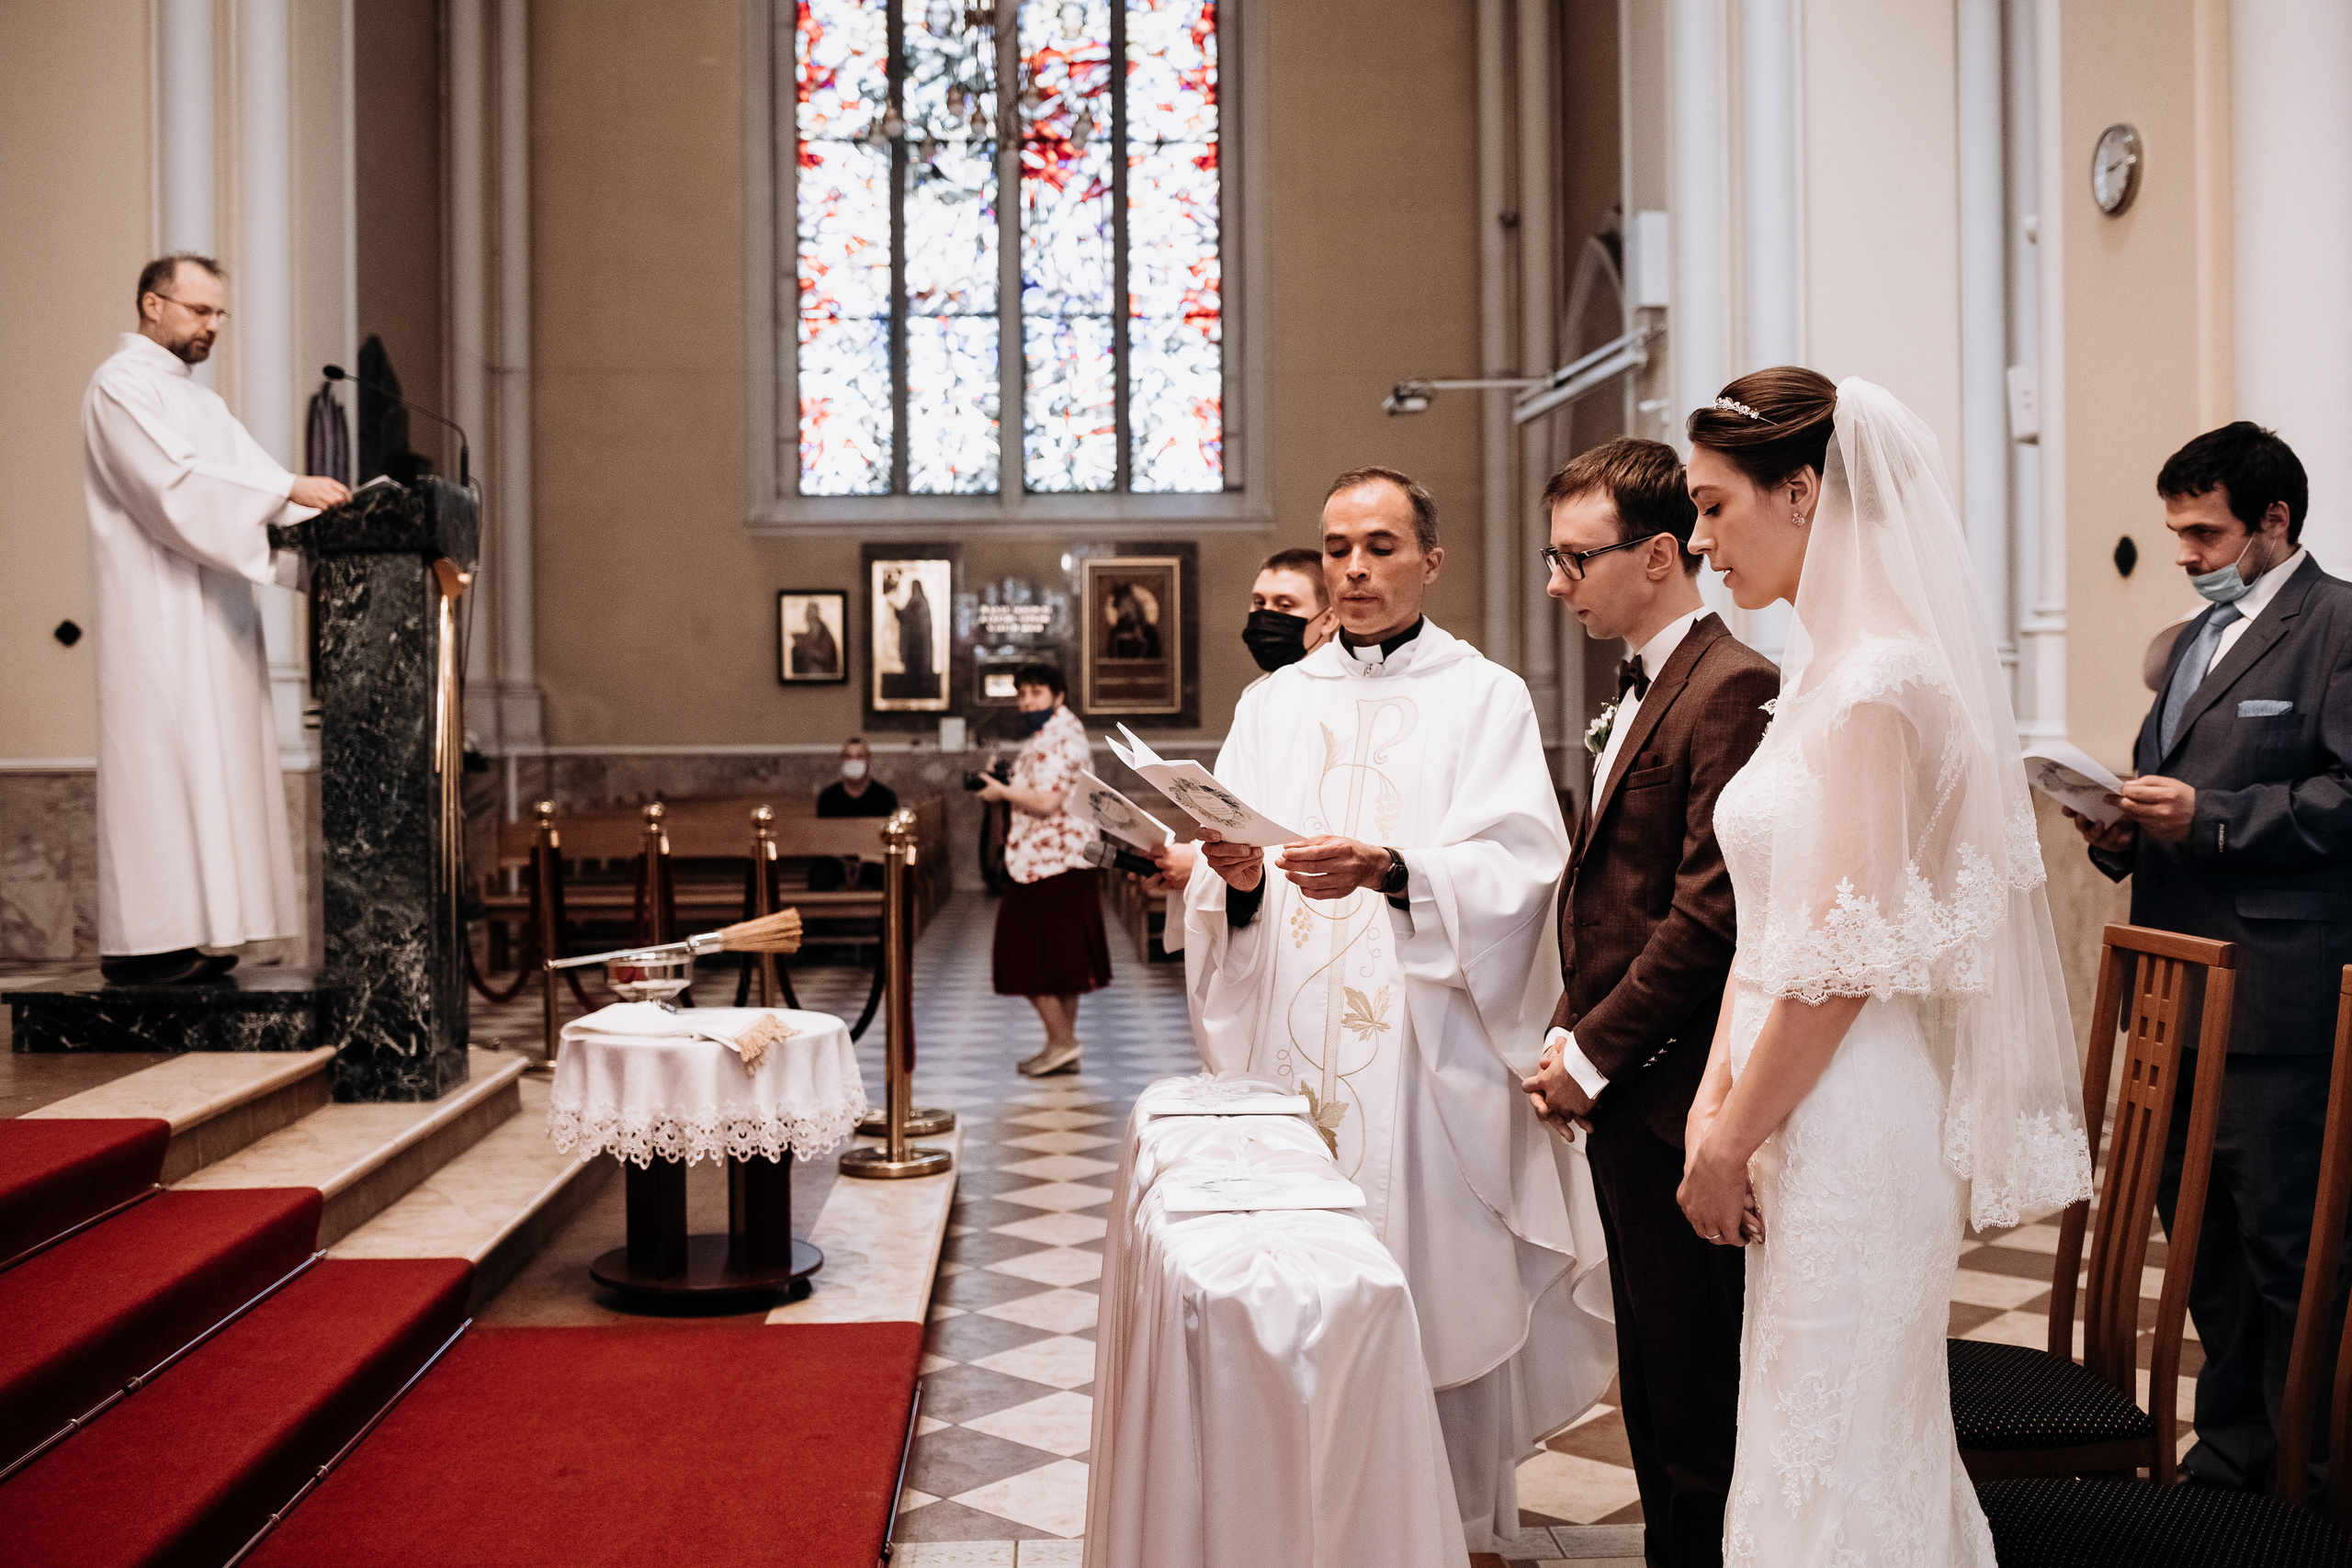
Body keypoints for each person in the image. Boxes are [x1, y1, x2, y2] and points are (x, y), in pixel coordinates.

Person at [1678, 369, 2091, 1564]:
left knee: (1845, 1453)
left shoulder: (1878, 685)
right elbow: (1767, 934)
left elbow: (1841, 960)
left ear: (1801, 492)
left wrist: (1723, 1131)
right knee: (1805, 1435)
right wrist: (1720, 1101)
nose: (1701, 541)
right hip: (1793, 1096)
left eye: (1714, 506)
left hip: (1848, 1111)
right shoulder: (1818, 673)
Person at [1182, 467, 1613, 1553]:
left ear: (1431, 558)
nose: (1357, 569)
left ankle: (1455, 1529)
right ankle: (1304, 1527)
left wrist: (1395, 868)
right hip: (1290, 1053)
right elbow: (1222, 890)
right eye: (1337, 549)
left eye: (1381, 545)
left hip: (1421, 1061)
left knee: (1428, 1279)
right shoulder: (1271, 704)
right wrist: (1233, 879)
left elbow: (1526, 867)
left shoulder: (1485, 697)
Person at [2065, 421, 2352, 1491]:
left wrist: (2215, 817)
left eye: (2204, 532)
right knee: (2202, 1248)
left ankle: (2319, 1475)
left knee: (2292, 1253)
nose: (2184, 554)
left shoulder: (2338, 627)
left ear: (2273, 521)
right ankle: (2236, 1449)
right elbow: (2167, 786)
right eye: (2176, 531)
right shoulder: (2191, 643)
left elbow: (2347, 798)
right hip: (2174, 995)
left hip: (2278, 1002)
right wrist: (2118, 828)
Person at [1521, 438, 1776, 1568]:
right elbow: (1606, 894)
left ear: (1660, 555)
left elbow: (1705, 914)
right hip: (1631, 1081)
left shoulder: (1732, 686)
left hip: (1678, 1087)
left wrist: (1593, 1052)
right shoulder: (1637, 686)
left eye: (1575, 560)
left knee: (1696, 1396)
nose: (1556, 583)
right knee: (1658, 1386)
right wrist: (1571, 1034)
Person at [85, 254, 352, 986]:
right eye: (200, 311)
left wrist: (343, 535)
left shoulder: (198, 400)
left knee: (211, 767)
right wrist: (287, 487)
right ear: (152, 304)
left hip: (212, 617)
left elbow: (254, 486)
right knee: (165, 771)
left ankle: (199, 932)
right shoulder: (121, 386)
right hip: (157, 622)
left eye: (220, 314)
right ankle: (147, 941)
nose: (213, 326)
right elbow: (177, 485)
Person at [1148, 547, 1340, 895]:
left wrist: (1198, 865)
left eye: (1285, 606)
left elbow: (1304, 817)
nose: (1266, 617)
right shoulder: (1259, 695)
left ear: (1328, 619)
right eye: (1259, 603)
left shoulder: (1340, 699)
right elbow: (1242, 812)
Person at [978, 663, 1112, 1077]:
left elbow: (1046, 802)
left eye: (1035, 693)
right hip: (1058, 859)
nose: (1026, 702)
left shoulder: (1059, 740)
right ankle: (1059, 1045)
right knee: (1062, 962)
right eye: (1021, 695)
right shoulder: (1056, 733)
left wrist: (1000, 791)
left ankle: (1064, 1041)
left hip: (1052, 862)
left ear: (1059, 695)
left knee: (1022, 956)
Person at [809, 737, 898, 891]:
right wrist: (844, 862)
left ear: (868, 760)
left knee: (886, 877)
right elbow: (823, 837)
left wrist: (864, 860)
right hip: (836, 860)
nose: (854, 761)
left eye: (859, 756)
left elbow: (887, 839)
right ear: (842, 760)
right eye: (849, 756)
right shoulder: (828, 797)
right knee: (821, 876)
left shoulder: (885, 797)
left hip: (872, 860)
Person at [790, 600, 840, 677]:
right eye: (808, 616)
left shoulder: (825, 636)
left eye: (812, 618)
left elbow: (826, 656)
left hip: (821, 672)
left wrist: (807, 648)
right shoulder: (807, 636)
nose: (810, 623)